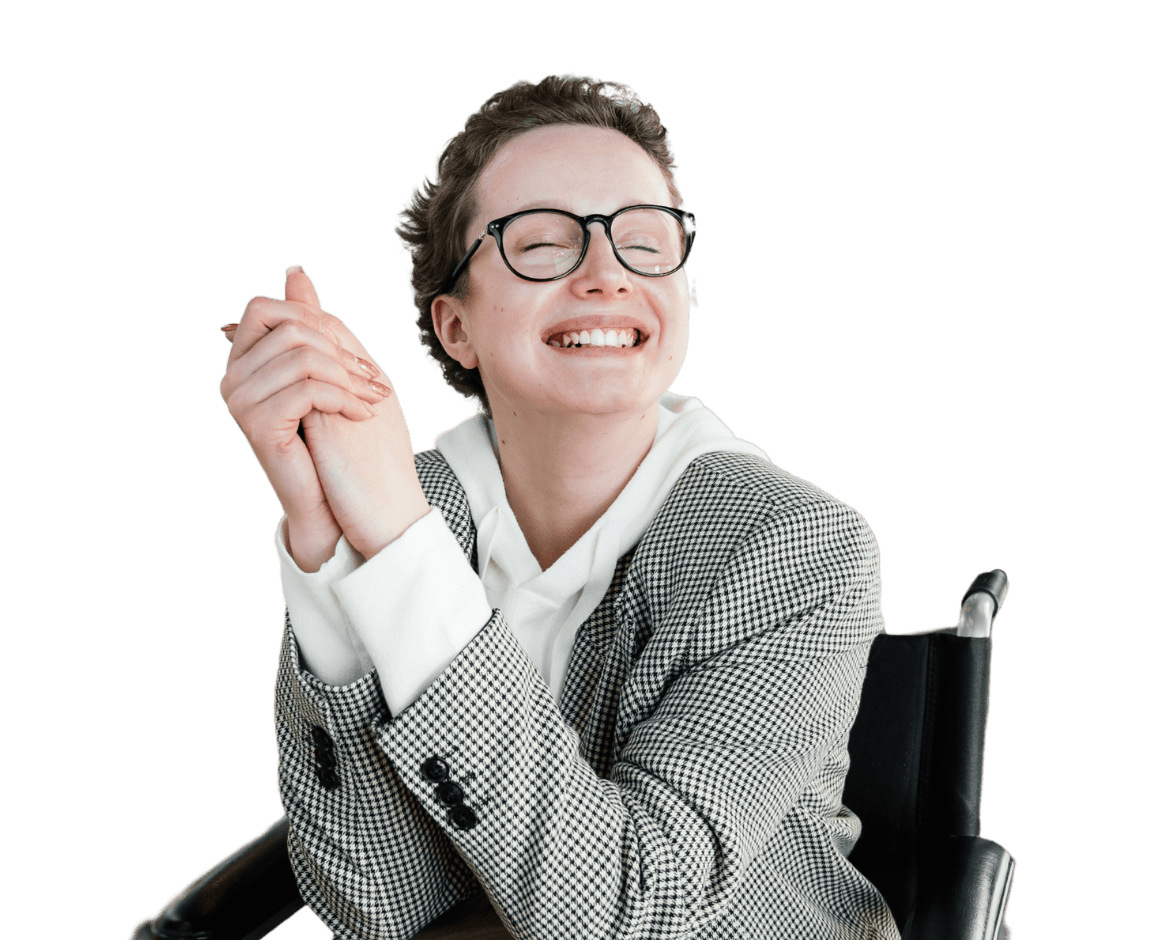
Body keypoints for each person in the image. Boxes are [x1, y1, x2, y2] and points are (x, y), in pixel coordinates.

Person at [218, 74, 900, 940]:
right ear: (454, 326)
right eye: (542, 243)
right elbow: (380, 905)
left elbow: (630, 915)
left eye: (644, 240)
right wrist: (327, 546)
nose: (607, 274)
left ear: (686, 293)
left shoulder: (797, 549)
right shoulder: (401, 510)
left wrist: (393, 536)